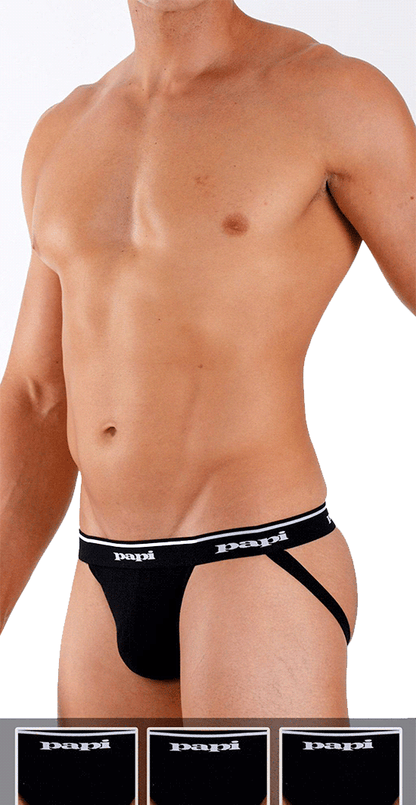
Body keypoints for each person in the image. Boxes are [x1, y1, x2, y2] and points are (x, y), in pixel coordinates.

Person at [0, 0, 414, 726]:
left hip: (257, 561)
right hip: (101, 577)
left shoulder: (332, 96)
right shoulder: (63, 130)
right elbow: (37, 397)